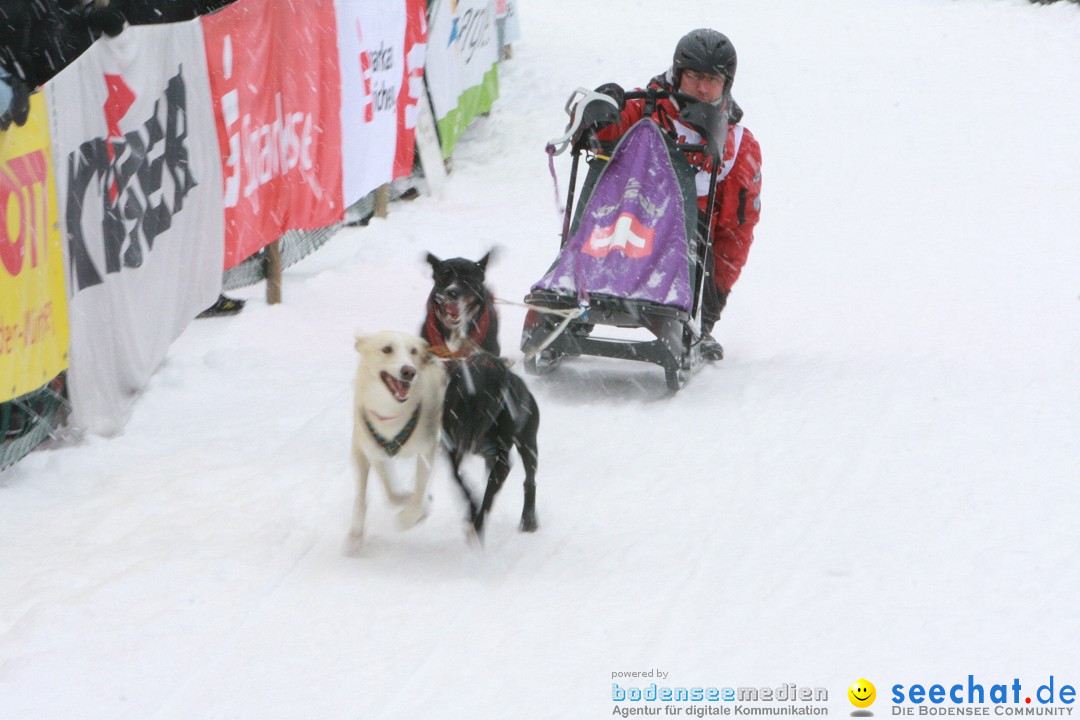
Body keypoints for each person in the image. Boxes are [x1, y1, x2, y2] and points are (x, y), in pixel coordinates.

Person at [591, 28, 762, 361]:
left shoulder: (739, 146)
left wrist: (710, 311)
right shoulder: (642, 108)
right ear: (677, 73)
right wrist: (596, 111)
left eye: (711, 79)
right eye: (694, 76)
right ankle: (563, 295)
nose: (701, 87)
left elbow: (736, 233)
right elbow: (600, 131)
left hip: (685, 248)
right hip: (621, 223)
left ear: (726, 85)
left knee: (701, 233)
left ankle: (687, 319)